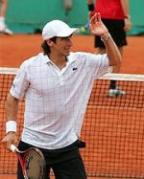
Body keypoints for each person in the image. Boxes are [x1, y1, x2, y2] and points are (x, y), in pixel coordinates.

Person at [2, 13, 121, 179]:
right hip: (33, 146)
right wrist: (11, 131)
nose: (70, 42)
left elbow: (115, 60)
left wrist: (105, 35)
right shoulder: (30, 67)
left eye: (70, 38)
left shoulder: (82, 62)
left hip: (66, 147)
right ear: (50, 42)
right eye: (64, 39)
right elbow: (13, 98)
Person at [87, 0, 131, 97]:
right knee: (118, 52)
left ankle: (82, 80)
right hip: (116, 17)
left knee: (100, 50)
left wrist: (91, 10)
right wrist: (126, 17)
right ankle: (113, 87)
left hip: (100, 16)